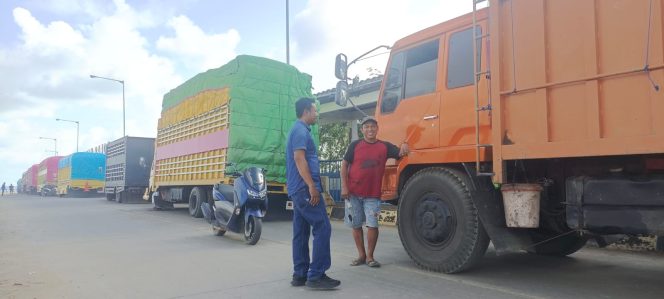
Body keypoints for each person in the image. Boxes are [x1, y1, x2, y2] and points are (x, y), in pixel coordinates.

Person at [286, 97, 340, 290]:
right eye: (315, 110)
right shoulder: (301, 130)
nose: (317, 114)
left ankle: (300, 274)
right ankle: (316, 275)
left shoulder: (296, 129)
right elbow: (299, 158)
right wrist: (311, 185)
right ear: (307, 111)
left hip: (296, 189)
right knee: (323, 227)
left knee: (300, 232)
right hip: (304, 188)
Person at [341, 116, 409, 268]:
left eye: (373, 126)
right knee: (356, 224)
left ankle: (370, 257)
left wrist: (404, 145)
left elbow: (401, 153)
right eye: (367, 127)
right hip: (353, 193)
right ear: (362, 130)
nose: (370, 129)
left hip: (373, 194)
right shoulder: (354, 145)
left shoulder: (385, 146)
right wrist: (344, 187)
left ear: (377, 129)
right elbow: (344, 165)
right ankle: (361, 255)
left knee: (373, 225)